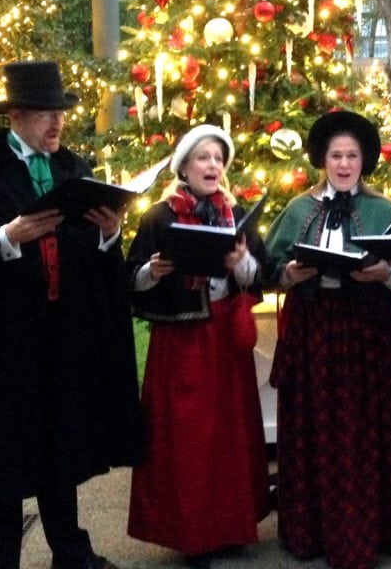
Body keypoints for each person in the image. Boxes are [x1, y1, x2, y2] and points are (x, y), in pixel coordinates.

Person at [0, 61, 142, 569]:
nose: (56, 124)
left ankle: (70, 550)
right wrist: (5, 239)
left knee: (62, 452)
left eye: (60, 113)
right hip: (2, 348)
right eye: (44, 114)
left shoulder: (72, 169)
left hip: (62, 340)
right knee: (3, 462)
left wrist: (108, 234)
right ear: (15, 116)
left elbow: (90, 256)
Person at [264, 110, 391, 569]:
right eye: (336, 154)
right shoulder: (298, 209)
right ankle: (311, 528)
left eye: (352, 155)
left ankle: (373, 528)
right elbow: (269, 266)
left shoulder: (384, 210)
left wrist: (385, 273)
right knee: (315, 425)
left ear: (364, 160)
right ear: (323, 159)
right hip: (313, 328)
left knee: (364, 426)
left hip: (368, 332)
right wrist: (290, 274)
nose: (343, 163)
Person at [126, 124, 269, 568]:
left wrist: (240, 263)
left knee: (230, 436)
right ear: (185, 166)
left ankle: (231, 527)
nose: (212, 166)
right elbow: (131, 280)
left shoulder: (235, 213)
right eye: (203, 158)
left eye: (218, 158)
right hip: (182, 340)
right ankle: (193, 535)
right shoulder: (159, 217)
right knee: (187, 441)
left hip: (225, 339)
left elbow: (259, 276)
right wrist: (152, 271)